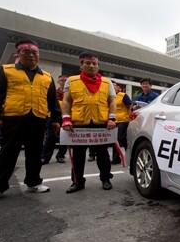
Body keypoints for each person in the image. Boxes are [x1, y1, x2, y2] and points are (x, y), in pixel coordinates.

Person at [0, 39, 61, 196]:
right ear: (18, 54)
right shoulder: (6, 71)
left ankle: (33, 182)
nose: (31, 55)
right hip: (13, 118)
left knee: (35, 152)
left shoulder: (46, 76)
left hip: (38, 118)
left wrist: (55, 119)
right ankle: (0, 185)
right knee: (8, 152)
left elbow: (52, 101)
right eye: (26, 52)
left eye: (35, 53)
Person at [61, 51, 116, 193]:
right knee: (78, 155)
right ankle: (77, 181)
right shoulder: (72, 81)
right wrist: (66, 118)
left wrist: (112, 118)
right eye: (88, 63)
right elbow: (66, 100)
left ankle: (105, 178)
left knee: (103, 154)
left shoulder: (106, 82)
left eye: (94, 63)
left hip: (100, 123)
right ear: (81, 65)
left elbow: (112, 101)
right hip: (79, 123)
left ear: (98, 65)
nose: (91, 66)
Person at [41, 75, 68, 164]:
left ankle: (60, 156)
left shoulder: (70, 93)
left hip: (65, 117)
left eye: (65, 80)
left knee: (64, 138)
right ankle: (45, 157)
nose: (63, 82)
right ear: (58, 82)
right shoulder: (54, 92)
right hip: (52, 116)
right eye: (61, 80)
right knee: (50, 137)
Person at [111, 82, 132, 164]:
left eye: (114, 87)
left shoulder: (123, 95)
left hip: (123, 120)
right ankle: (116, 158)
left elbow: (129, 107)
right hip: (113, 121)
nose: (113, 88)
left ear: (117, 88)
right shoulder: (110, 97)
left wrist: (130, 118)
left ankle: (129, 156)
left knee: (120, 138)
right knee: (115, 139)